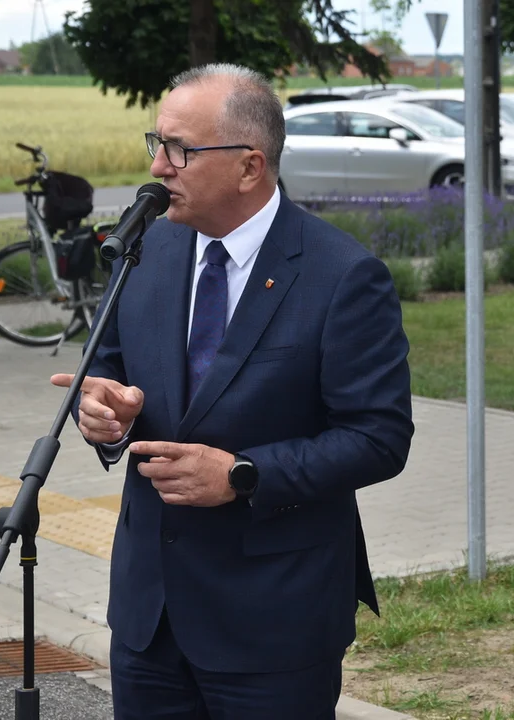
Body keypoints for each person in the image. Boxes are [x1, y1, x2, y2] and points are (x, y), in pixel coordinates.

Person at [50, 63, 414, 719]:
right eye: (154, 143)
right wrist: (106, 416)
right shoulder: (144, 251)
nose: (159, 166)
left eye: (179, 149)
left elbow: (378, 437)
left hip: (274, 621)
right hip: (150, 617)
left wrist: (245, 474)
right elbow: (104, 370)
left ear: (249, 167)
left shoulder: (342, 275)